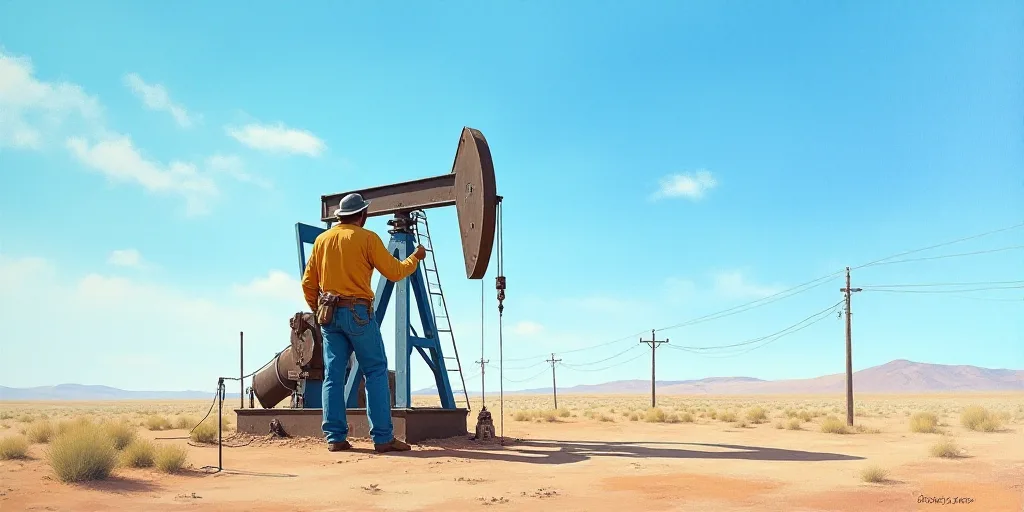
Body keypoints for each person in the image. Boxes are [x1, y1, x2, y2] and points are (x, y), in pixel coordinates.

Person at [300, 192, 426, 453]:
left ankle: (335, 438)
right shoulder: (367, 238)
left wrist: (320, 312)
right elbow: (394, 271)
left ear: (339, 217)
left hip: (329, 314)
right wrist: (415, 258)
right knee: (376, 371)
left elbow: (308, 283)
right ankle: (382, 439)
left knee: (333, 376)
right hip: (358, 312)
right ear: (363, 216)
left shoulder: (322, 241)